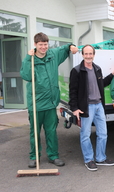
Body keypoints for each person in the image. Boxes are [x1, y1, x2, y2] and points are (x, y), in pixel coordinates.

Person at [20, 32, 78, 168]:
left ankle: (53, 156)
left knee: (51, 131)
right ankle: (34, 157)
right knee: (35, 132)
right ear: (35, 44)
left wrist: (72, 46)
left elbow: (66, 48)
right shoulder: (30, 59)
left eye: (45, 44)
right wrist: (29, 59)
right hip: (36, 103)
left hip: (51, 103)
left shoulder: (53, 55)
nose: (43, 47)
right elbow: (26, 76)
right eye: (40, 45)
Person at [69, 44, 114, 171]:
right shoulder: (77, 71)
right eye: (86, 54)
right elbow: (72, 91)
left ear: (94, 55)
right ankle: (89, 159)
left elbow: (102, 84)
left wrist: (112, 74)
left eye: (91, 54)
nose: (89, 56)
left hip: (99, 106)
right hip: (86, 107)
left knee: (103, 134)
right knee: (85, 134)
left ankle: (100, 158)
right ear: (82, 54)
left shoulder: (97, 69)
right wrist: (74, 108)